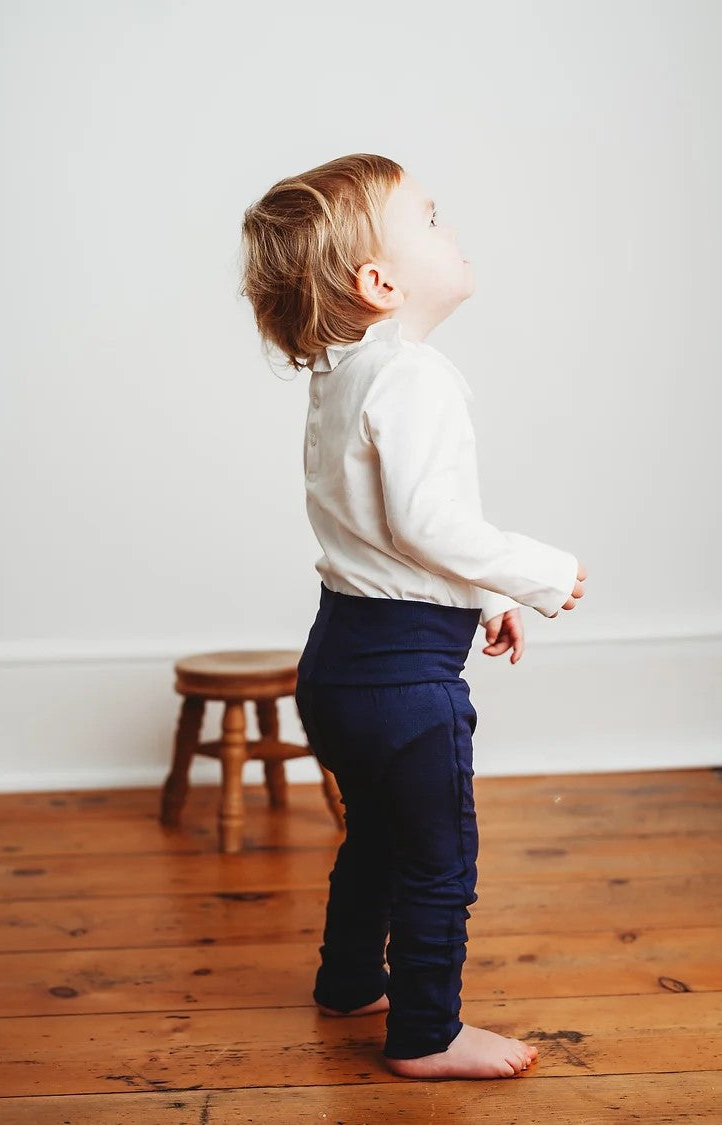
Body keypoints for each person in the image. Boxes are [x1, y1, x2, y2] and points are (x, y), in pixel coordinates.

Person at [238, 153, 587, 1080]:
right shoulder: (415, 376)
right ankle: (428, 1032)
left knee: (380, 834)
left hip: (343, 660)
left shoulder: (345, 375)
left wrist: (488, 597)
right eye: (432, 218)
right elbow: (431, 524)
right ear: (379, 280)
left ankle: (351, 978)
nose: (452, 228)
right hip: (404, 683)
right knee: (440, 858)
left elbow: (387, 534)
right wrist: (541, 572)